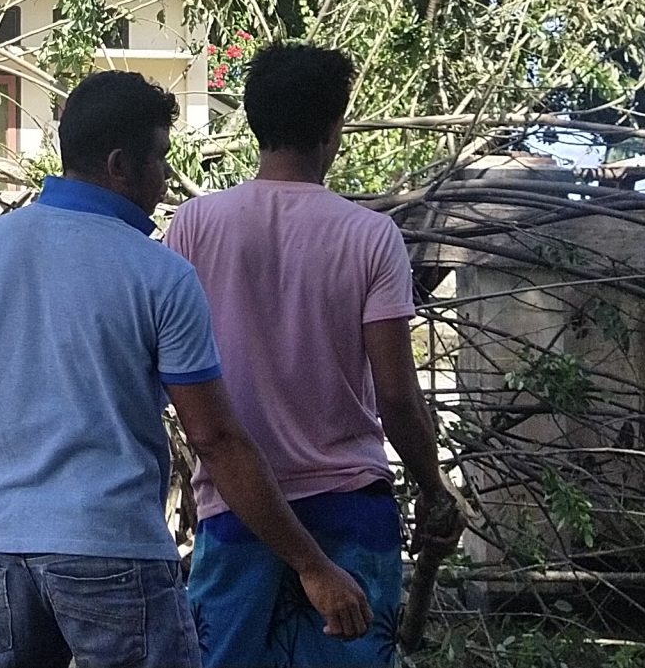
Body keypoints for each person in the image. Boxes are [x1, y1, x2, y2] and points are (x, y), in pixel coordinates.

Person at [0, 70, 372, 668]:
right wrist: (311, 564)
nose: (166, 176)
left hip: (2, 550)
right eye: (160, 159)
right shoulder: (158, 273)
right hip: (113, 552)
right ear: (120, 165)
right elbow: (215, 439)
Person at [166, 44, 457, 667]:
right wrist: (434, 487)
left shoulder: (193, 226)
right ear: (333, 127)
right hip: (348, 507)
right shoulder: (370, 236)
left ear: (254, 121)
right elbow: (397, 396)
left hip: (237, 506)